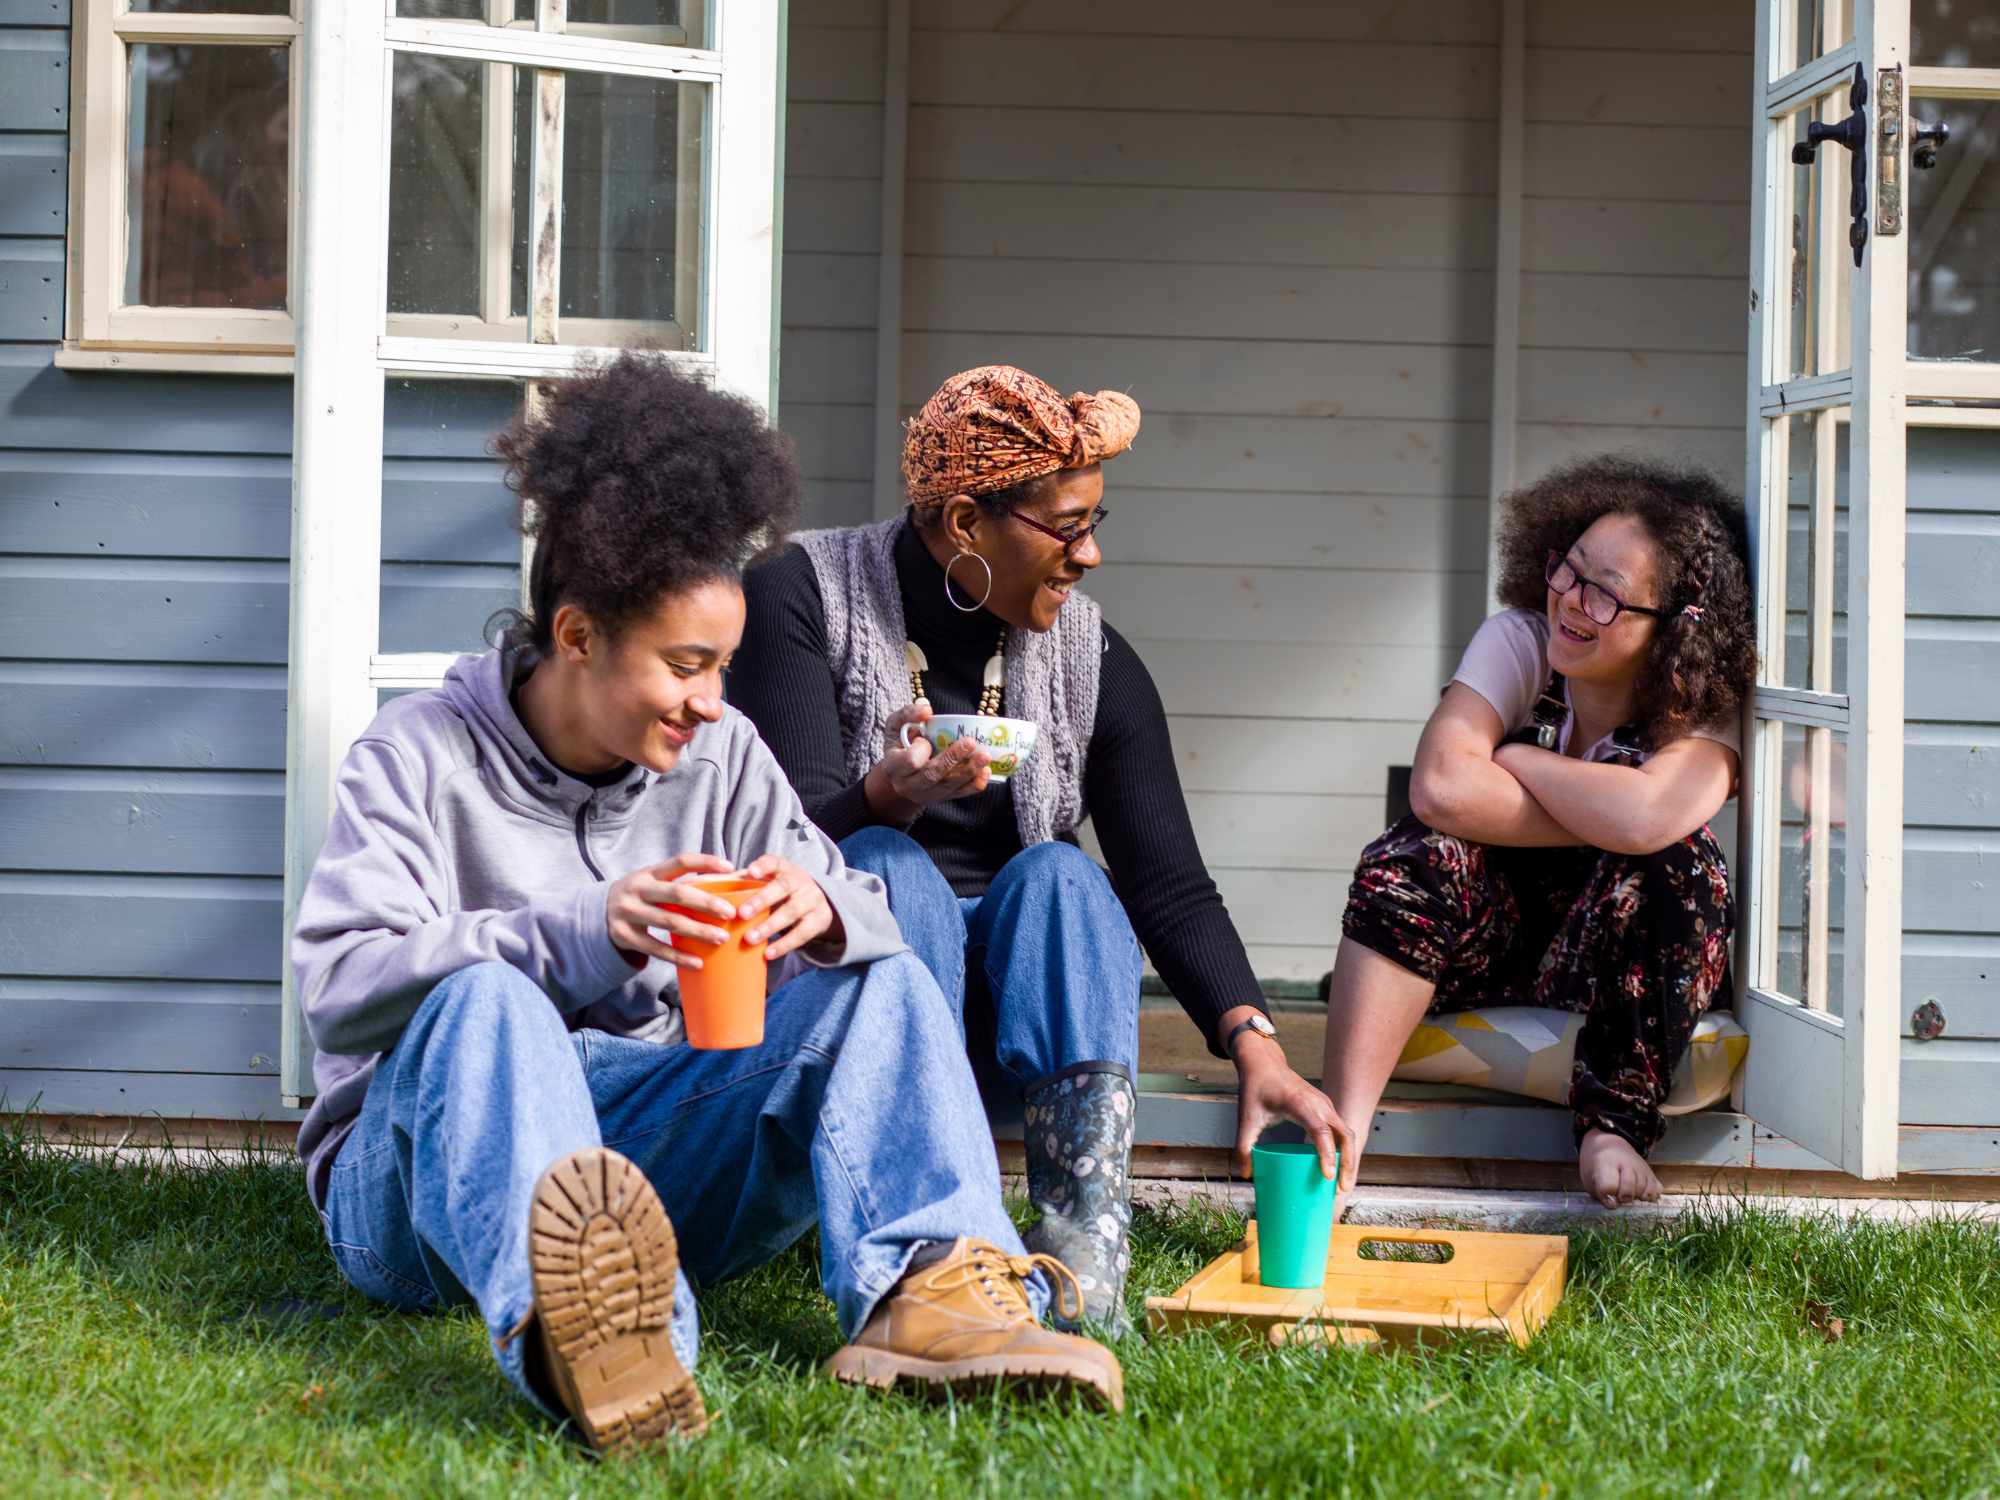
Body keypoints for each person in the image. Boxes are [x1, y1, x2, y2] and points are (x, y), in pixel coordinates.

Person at [291, 353, 1123, 1457]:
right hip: (423, 1187)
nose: (714, 704)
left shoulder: (720, 759)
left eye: (723, 666)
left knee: (870, 974)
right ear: (578, 635)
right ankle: (603, 1344)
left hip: (645, 1148)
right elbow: (342, 994)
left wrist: (818, 905)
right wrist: (587, 929)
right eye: (687, 666)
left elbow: (860, 913)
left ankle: (938, 1292)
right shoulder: (415, 757)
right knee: (486, 1002)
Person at [730, 365, 1349, 1330]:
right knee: (892, 874)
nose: (1091, 554)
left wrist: (1255, 1046)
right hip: (867, 1005)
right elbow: (771, 838)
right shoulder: (800, 595)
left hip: (1027, 1013)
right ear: (968, 524)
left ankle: (1083, 1258)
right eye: (1067, 527)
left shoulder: (1089, 656)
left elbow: (1170, 886)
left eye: (1098, 521)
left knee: (1065, 876)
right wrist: (884, 797)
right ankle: (936, 1246)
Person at [1318, 456, 1755, 1209]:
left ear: (1676, 628)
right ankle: (1342, 1130)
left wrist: (1517, 759)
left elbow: (1655, 821)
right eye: (1568, 569)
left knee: (1682, 863)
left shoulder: (1702, 705)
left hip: (1614, 973)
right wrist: (1607, 810)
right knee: (1413, 853)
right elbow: (1442, 787)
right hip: (1485, 950)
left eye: (1607, 594)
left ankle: (1613, 1126)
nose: (1570, 601)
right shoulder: (1517, 641)